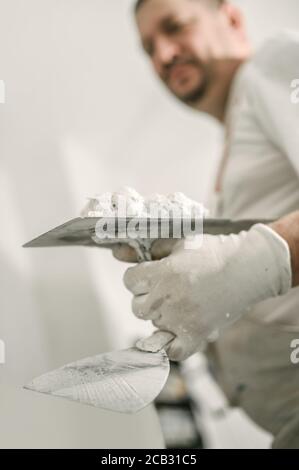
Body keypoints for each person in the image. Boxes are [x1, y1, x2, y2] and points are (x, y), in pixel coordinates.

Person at [113, 0, 299, 448]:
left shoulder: (275, 63)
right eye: (149, 49)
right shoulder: (239, 137)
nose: (163, 55)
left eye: (174, 27)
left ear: (232, 19)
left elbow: (256, 261)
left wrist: (255, 264)